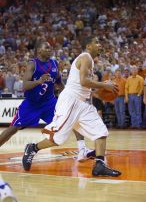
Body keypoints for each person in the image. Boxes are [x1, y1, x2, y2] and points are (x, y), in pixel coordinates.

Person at [22, 37, 121, 177]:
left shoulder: (90, 60)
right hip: (71, 101)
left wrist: (99, 92)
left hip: (82, 103)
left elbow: (82, 86)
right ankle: (33, 148)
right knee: (58, 138)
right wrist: (105, 85)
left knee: (101, 132)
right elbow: (84, 81)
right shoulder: (86, 57)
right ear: (88, 46)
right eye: (96, 42)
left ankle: (99, 165)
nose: (99, 45)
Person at [0, 41, 95, 161]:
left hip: (50, 103)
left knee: (73, 119)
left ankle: (82, 149)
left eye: (50, 47)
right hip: (31, 104)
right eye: (47, 47)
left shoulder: (55, 64)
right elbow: (24, 85)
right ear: (39, 50)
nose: (50, 49)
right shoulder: (32, 64)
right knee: (12, 129)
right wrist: (38, 81)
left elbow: (59, 83)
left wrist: (69, 96)